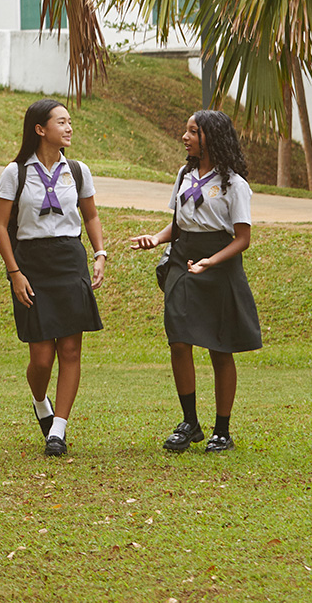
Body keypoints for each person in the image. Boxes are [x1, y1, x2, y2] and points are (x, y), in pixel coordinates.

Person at [130, 109, 261, 454]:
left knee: (220, 347)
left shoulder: (235, 184)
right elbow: (178, 223)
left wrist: (211, 261)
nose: (184, 137)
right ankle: (190, 422)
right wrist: (157, 239)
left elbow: (242, 239)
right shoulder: (184, 174)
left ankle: (222, 430)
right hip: (183, 259)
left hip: (219, 264)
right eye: (186, 131)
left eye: (192, 132)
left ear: (210, 138)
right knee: (178, 339)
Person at [0, 98, 107, 458]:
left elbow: (90, 216)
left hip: (69, 261)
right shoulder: (15, 173)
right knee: (42, 358)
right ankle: (40, 401)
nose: (69, 127)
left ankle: (58, 429)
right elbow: (0, 226)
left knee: (70, 350)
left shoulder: (78, 170)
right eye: (61, 122)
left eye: (69, 121)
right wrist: (15, 272)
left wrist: (100, 253)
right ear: (40, 129)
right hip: (32, 263)